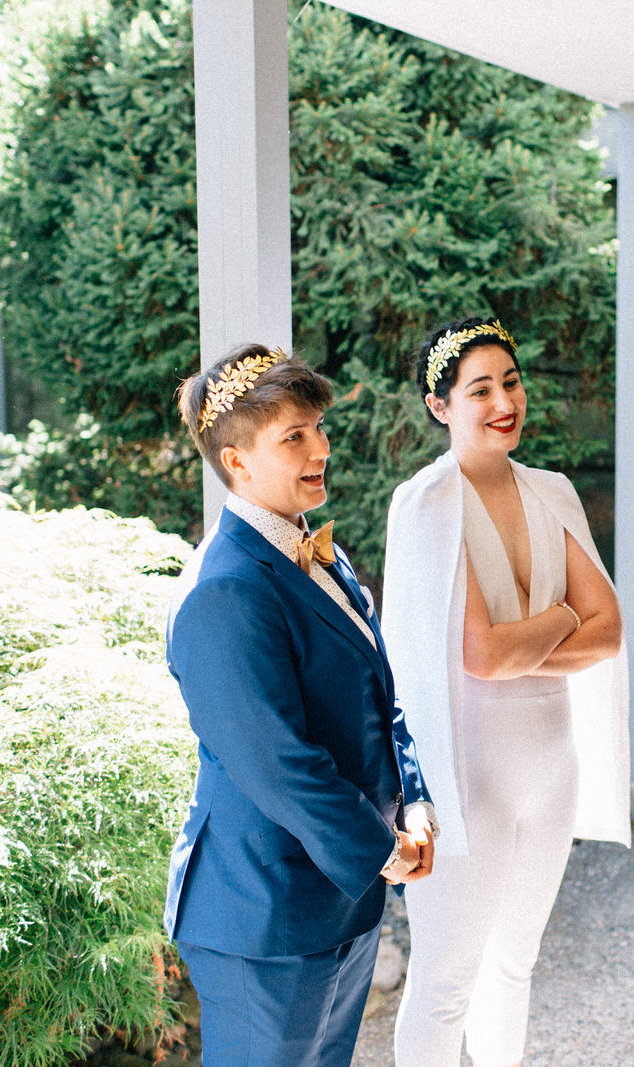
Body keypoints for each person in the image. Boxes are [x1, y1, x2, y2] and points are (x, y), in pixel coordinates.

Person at [162, 344, 436, 1066]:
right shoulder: (222, 591)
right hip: (263, 914)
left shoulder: (318, 553)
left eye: (317, 427)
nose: (320, 448)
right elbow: (281, 764)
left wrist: (414, 803)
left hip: (337, 895)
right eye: (294, 436)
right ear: (236, 461)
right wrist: (382, 848)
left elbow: (382, 697)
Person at [384, 317, 630, 1067]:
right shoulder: (425, 503)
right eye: (480, 389)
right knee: (444, 981)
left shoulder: (552, 492)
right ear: (440, 405)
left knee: (515, 964)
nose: (503, 402)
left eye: (512, 382)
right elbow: (481, 657)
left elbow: (612, 630)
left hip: (552, 771)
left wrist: (527, 642)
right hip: (468, 775)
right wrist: (563, 619)